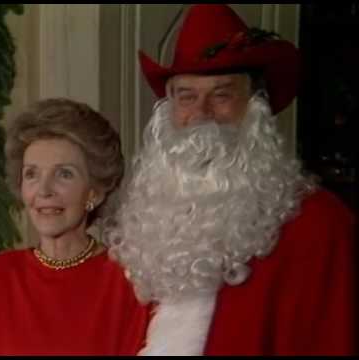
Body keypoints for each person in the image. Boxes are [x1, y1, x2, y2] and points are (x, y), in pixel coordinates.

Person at [103, 4, 356, 356]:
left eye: (222, 94)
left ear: (256, 106)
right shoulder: (150, 220)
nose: (202, 113)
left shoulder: (321, 224)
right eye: (187, 96)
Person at [0, 98, 151, 355]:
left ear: (94, 192)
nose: (44, 190)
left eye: (64, 174)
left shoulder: (128, 281)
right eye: (32, 174)